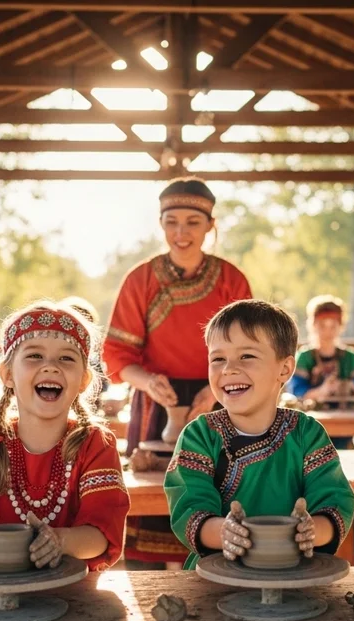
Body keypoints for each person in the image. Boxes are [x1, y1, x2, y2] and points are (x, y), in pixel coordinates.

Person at [103, 177, 253, 567]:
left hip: (222, 399)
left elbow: (248, 351)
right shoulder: (141, 279)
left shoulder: (231, 280)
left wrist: (217, 389)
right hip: (157, 402)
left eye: (192, 222)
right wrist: (147, 382)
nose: (181, 232)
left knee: (219, 507)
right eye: (171, 222)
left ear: (210, 225)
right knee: (150, 521)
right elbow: (117, 354)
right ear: (161, 224)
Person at [0, 302, 130, 572]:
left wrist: (60, 540)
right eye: (34, 356)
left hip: (76, 596)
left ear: (83, 380)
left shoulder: (95, 444)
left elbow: (103, 534)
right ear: (7, 374)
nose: (51, 367)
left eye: (66, 358)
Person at [165, 300, 354, 570]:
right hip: (215, 575)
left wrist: (312, 530)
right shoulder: (199, 436)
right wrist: (226, 531)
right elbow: (189, 508)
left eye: (247, 356)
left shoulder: (307, 434)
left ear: (285, 369)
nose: (229, 368)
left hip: (295, 574)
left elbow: (334, 500)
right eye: (218, 358)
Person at [288, 295, 354, 410]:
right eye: (322, 325)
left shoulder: (350, 356)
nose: (327, 331)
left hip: (347, 416)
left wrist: (351, 387)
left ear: (341, 326)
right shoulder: (305, 357)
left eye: (333, 326)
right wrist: (322, 391)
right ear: (313, 325)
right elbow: (296, 391)